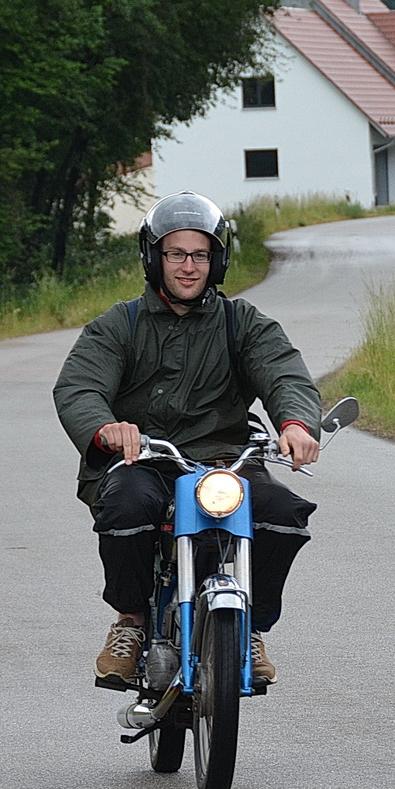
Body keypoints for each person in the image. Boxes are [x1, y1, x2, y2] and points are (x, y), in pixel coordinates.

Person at [53, 191, 322, 685]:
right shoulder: (120, 324)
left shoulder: (242, 323)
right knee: (127, 509)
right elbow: (80, 387)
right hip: (144, 461)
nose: (188, 266)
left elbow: (285, 375)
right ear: (154, 258)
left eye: (200, 254)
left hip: (227, 461)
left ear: (216, 261)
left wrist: (296, 424)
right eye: (176, 253)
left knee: (283, 514)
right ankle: (131, 621)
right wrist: (106, 429)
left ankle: (250, 628)